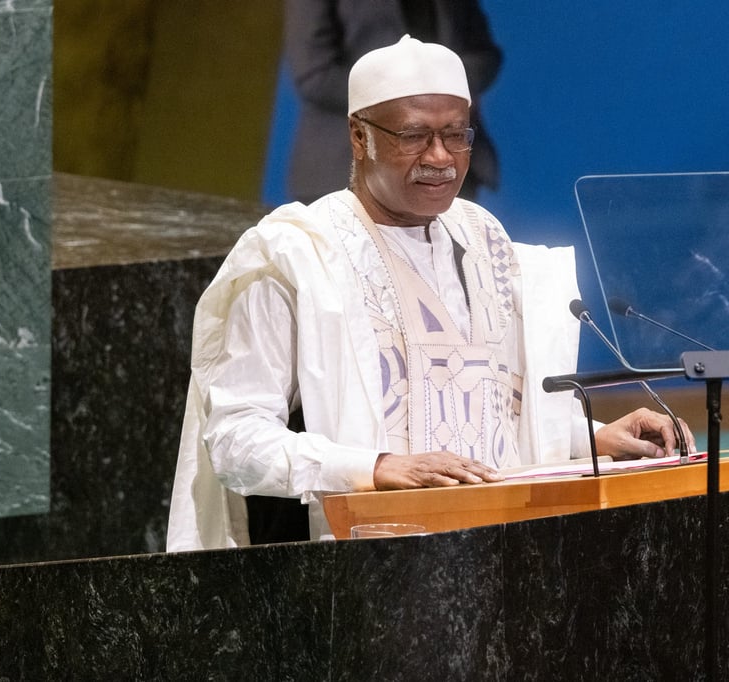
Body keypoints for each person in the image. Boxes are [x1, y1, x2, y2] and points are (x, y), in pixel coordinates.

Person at [167, 36, 694, 552]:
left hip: (505, 552)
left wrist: (594, 439)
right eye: (414, 136)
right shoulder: (295, 255)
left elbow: (491, 421)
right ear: (358, 135)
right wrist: (374, 468)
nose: (440, 157)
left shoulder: (486, 241)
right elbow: (235, 442)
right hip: (366, 565)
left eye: (457, 135)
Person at [284, 0, 502, 203]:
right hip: (344, 172)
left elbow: (483, 54)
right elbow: (315, 75)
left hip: (447, 173)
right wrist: (410, 96)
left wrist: (446, 89)